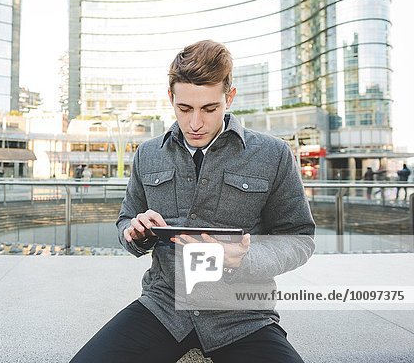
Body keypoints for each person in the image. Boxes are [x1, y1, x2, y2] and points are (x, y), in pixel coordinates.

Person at [70, 40, 315, 363]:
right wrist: (135, 231)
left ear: (229, 98)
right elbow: (126, 219)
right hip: (162, 307)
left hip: (242, 315)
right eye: (184, 109)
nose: (195, 123)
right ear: (171, 98)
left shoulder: (273, 154)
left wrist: (246, 256)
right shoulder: (148, 154)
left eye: (209, 109)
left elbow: (299, 239)